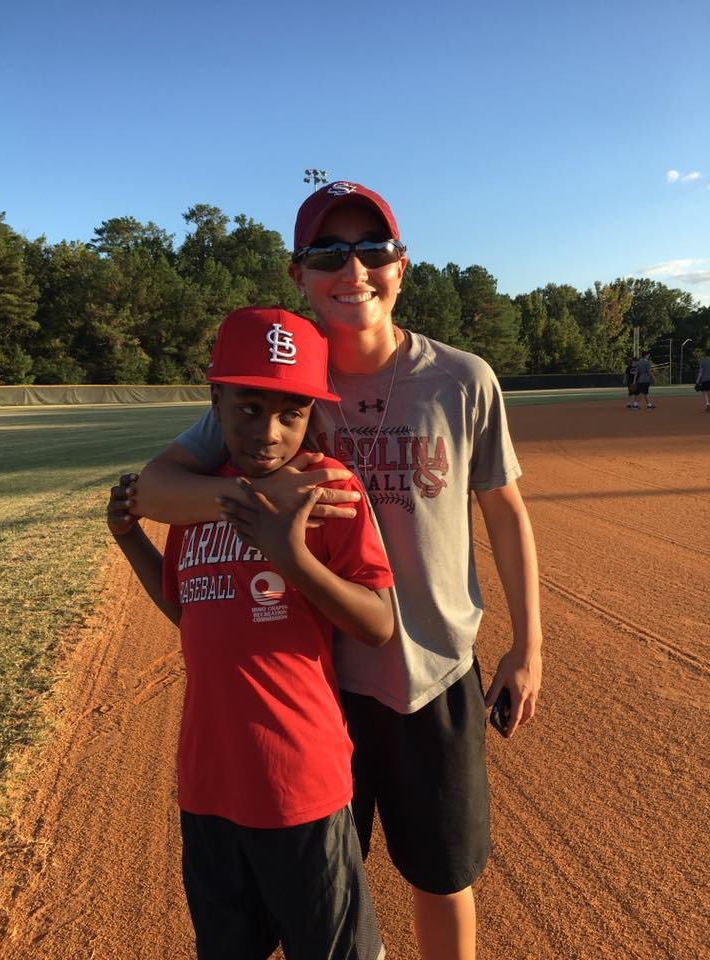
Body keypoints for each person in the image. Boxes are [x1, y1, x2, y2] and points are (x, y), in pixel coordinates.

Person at [129, 181, 543, 960]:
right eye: (328, 255)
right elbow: (154, 488)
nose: (353, 270)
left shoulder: (462, 379)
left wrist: (528, 647)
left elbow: (505, 511)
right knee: (313, 895)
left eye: (373, 250)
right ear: (300, 275)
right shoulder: (280, 378)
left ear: (401, 265)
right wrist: (260, 501)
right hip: (320, 689)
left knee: (442, 876)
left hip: (433, 671)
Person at [107, 306, 394, 960]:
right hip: (209, 781)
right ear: (216, 401)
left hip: (301, 782)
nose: (269, 431)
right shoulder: (194, 498)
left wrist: (293, 558)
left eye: (291, 413)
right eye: (248, 408)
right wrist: (129, 539)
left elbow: (379, 623)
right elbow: (188, 611)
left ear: (311, 414)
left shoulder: (326, 490)